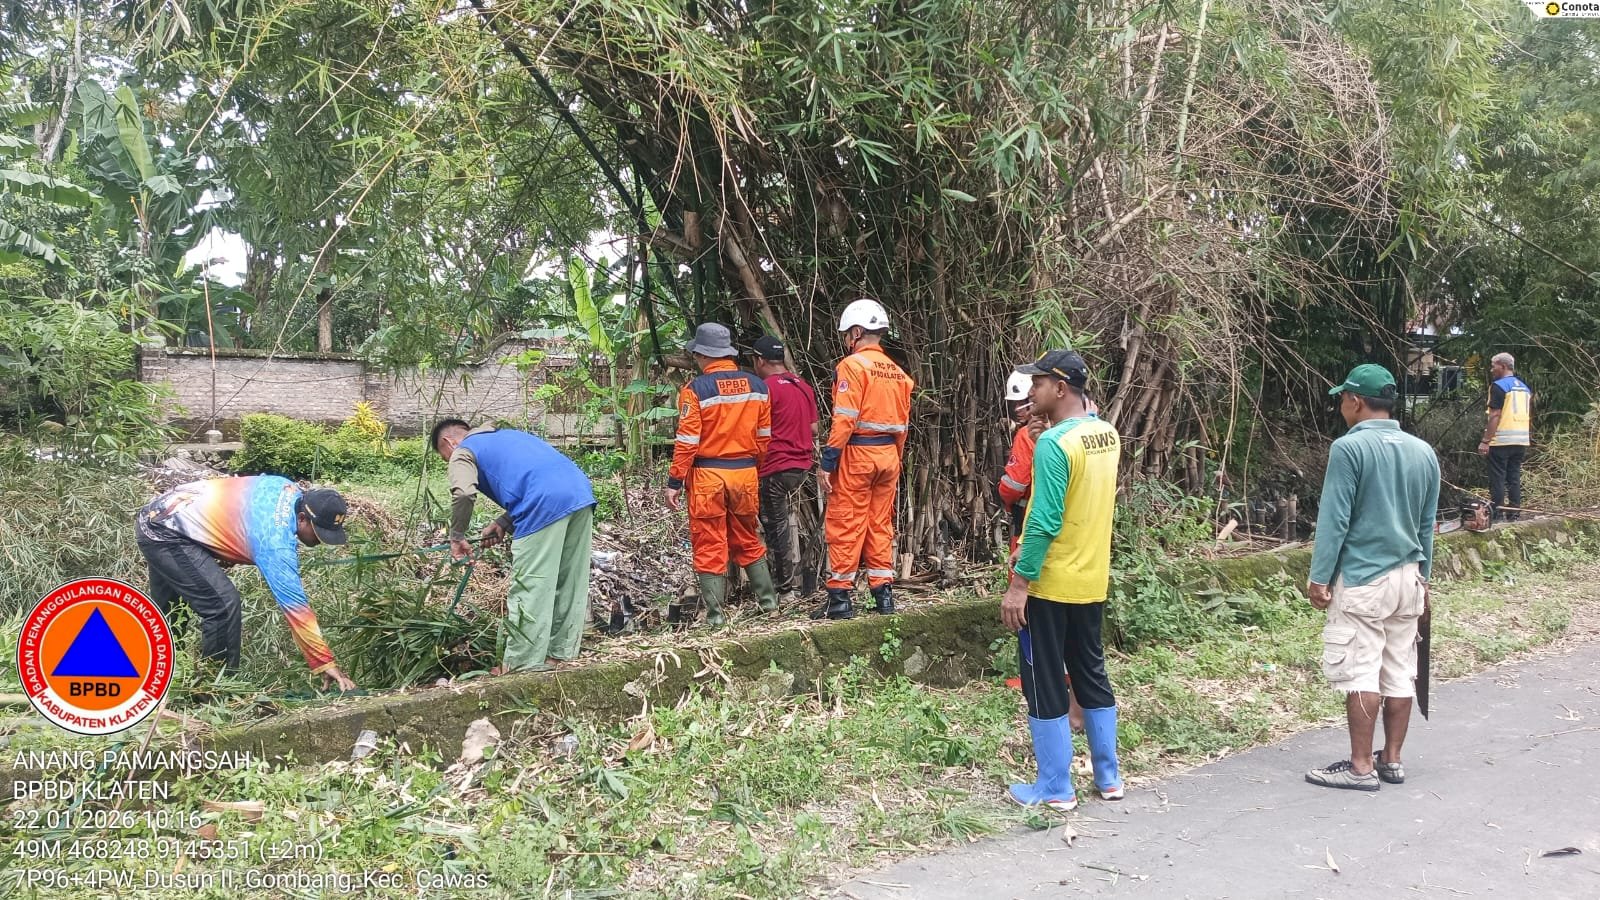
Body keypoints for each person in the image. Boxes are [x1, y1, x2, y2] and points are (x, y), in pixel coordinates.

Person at [1304, 363, 1440, 791]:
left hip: (1364, 577)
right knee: (1399, 669)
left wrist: (1319, 577)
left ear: (1355, 401)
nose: (1342, 406)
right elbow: (1426, 524)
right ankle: (1392, 760)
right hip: (1409, 578)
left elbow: (1334, 520)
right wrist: (1426, 577)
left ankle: (1361, 766)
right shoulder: (1423, 451)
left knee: (1361, 670)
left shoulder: (1349, 449)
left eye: (1343, 399)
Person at [1003, 350, 1122, 811]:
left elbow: (1043, 520)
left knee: (1044, 681)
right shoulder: (1105, 435)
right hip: (1091, 579)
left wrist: (1019, 584)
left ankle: (1055, 786)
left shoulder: (1054, 445)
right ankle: (1108, 777)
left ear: (1060, 388)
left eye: (1037, 383)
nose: (1030, 391)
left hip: (1050, 584)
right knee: (1091, 672)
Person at [135, 476, 358, 691]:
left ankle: (158, 680)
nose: (320, 541)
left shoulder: (287, 488)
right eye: (319, 533)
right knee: (221, 605)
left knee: (169, 615)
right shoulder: (275, 542)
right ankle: (215, 690)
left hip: (164, 513)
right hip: (165, 531)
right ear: (301, 518)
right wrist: (324, 662)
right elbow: (295, 607)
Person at [431, 419, 596, 673]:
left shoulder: (462, 451)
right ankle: (561, 654)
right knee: (570, 580)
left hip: (543, 503)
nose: (449, 461)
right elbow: (535, 475)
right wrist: (504, 522)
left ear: (448, 442)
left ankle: (520, 665)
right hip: (580, 493)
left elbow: (463, 493)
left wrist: (456, 537)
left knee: (532, 584)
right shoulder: (511, 436)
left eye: (445, 458)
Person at [666, 323, 779, 626]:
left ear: (702, 354)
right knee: (747, 538)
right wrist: (751, 466)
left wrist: (674, 482)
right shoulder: (758, 386)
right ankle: (770, 607)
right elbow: (764, 437)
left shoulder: (695, 390)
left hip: (707, 477)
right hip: (745, 474)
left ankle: (716, 618)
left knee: (709, 543)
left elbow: (687, 442)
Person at [996, 367, 1086, 733]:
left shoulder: (1034, 438)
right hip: (1080, 548)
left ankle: (1050, 711)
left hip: (1036, 533)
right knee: (1081, 642)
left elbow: (1014, 487)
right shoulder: (1089, 431)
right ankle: (1080, 714)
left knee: (1035, 623)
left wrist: (1018, 585)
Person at [815, 299, 914, 620]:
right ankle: (882, 595)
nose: (847, 341)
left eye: (847, 335)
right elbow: (903, 425)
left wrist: (828, 462)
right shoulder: (899, 373)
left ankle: (840, 600)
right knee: (879, 524)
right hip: (888, 457)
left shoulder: (852, 367)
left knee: (846, 522)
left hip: (857, 454)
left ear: (857, 332)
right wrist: (894, 459)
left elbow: (844, 419)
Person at [752, 333, 820, 605]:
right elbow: (815, 429)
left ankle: (784, 591)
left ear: (760, 360)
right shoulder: (802, 385)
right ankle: (783, 584)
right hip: (800, 467)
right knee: (779, 523)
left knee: (775, 527)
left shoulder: (765, 388)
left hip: (774, 467)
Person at [1479, 352, 1532, 522]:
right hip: (1521, 440)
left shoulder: (1498, 386)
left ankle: (1497, 515)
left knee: (1498, 478)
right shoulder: (1524, 388)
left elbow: (1495, 415)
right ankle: (1514, 513)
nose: (1491, 369)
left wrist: (1485, 441)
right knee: (1514, 477)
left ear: (1502, 366)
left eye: (1493, 365)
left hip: (1501, 440)